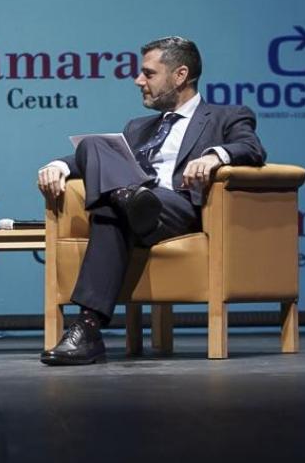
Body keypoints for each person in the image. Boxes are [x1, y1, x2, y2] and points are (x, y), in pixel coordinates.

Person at [35, 36, 267, 365]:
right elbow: (100, 158)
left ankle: (87, 329)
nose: (138, 81)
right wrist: (57, 166)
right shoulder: (137, 127)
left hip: (177, 207)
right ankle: (128, 200)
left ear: (180, 75)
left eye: (148, 73)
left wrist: (215, 156)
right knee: (93, 149)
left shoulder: (225, 116)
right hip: (136, 207)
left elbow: (252, 148)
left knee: (110, 205)